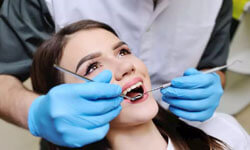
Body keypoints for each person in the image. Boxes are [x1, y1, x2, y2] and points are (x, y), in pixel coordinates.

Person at [0, 0, 234, 148]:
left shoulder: (227, 136)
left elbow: (213, 65)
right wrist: (34, 113)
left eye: (123, 52)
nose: (128, 67)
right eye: (93, 67)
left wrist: (210, 83)